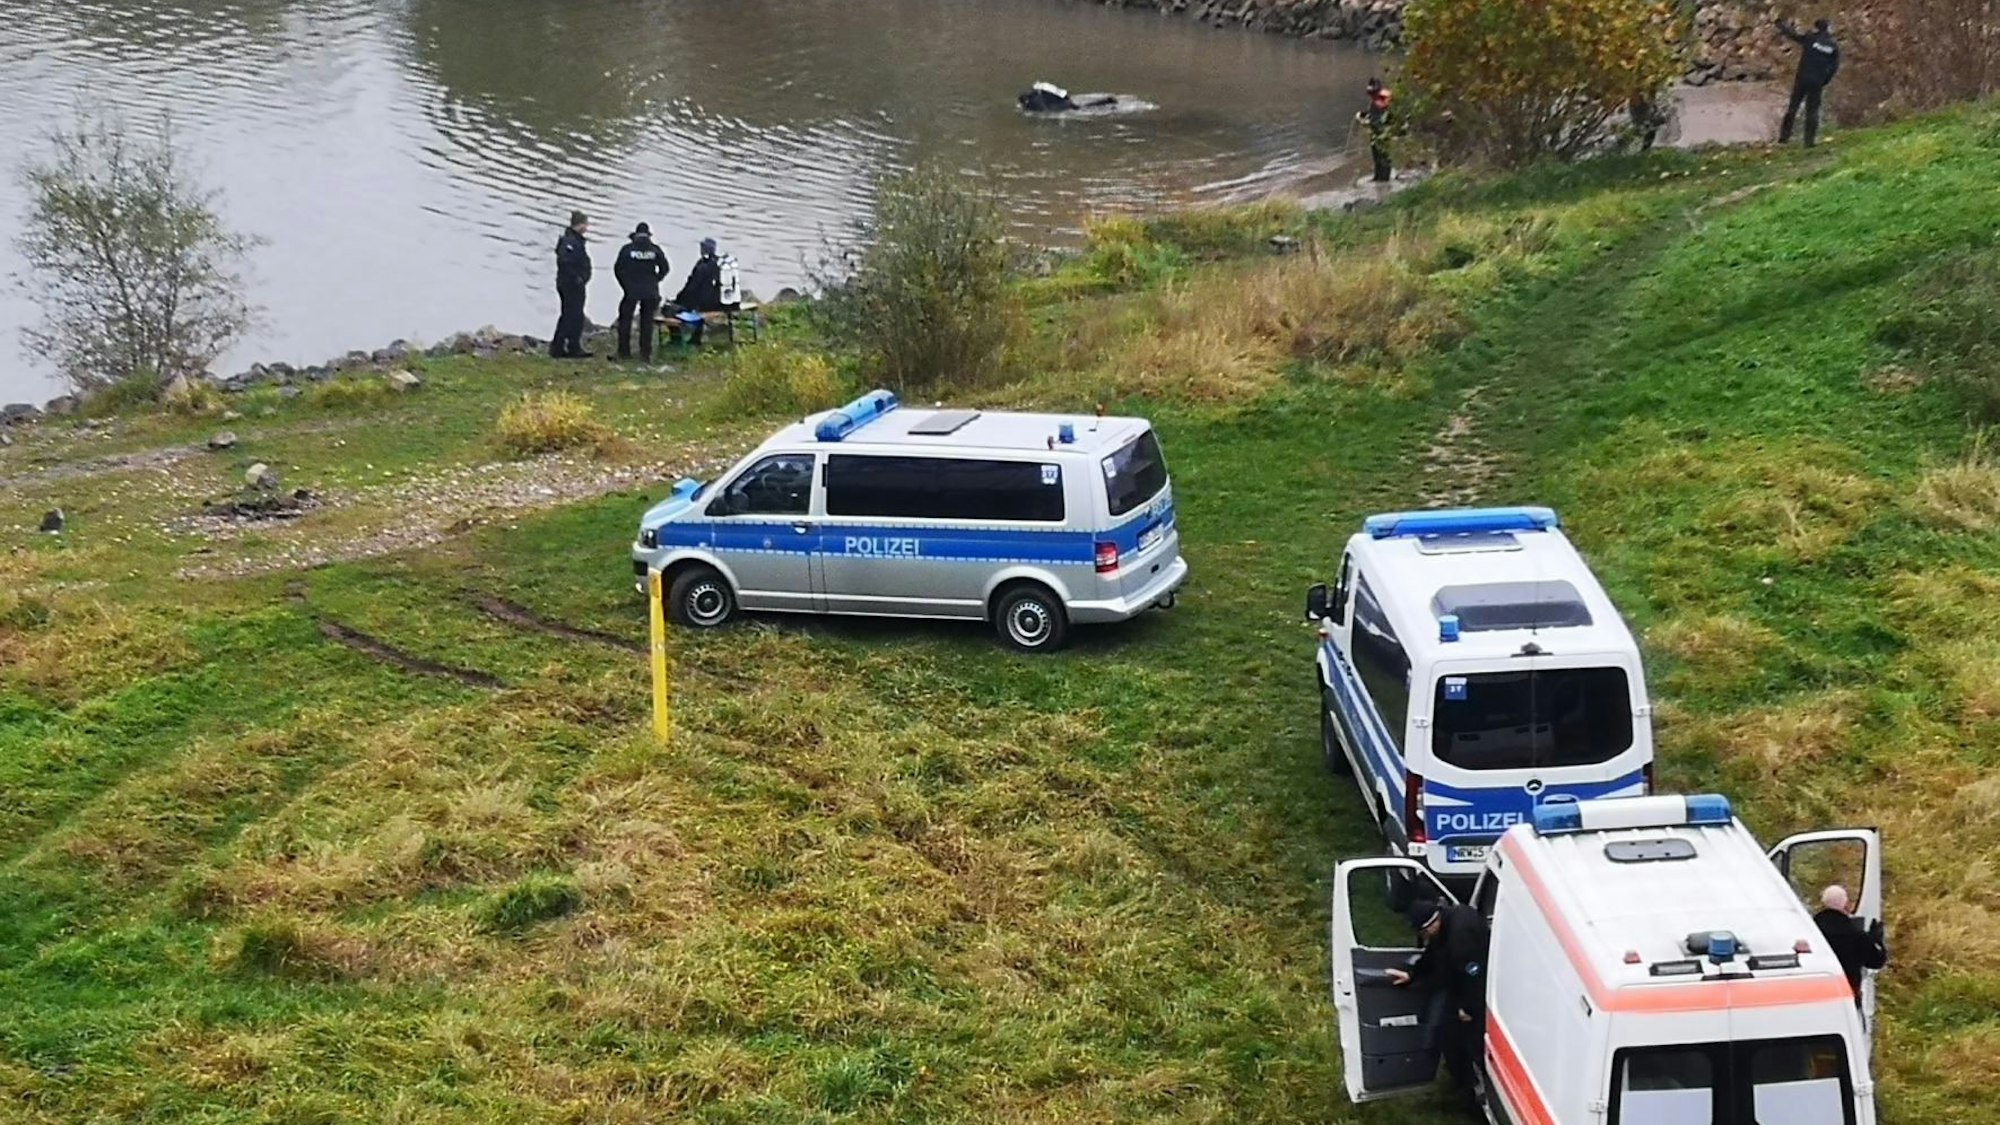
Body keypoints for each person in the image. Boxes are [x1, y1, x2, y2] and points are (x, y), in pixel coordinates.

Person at [1386, 898, 1490, 1108]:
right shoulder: (1447, 921)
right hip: (1460, 986)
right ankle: (1464, 1085)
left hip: (1476, 994)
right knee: (1449, 1037)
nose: (1425, 937)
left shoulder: (1461, 939)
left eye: (1424, 933)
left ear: (1432, 923)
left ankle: (1474, 1094)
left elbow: (1474, 975)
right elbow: (1432, 954)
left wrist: (1467, 1008)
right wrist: (1412, 975)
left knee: (1467, 1044)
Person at [1813, 885, 1887, 1010]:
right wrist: (1876, 940)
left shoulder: (1811, 929)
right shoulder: (1855, 934)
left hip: (1816, 993)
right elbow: (1876, 962)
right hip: (1846, 994)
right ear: (1846, 906)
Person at [1777, 17, 1841, 147]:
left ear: (1816, 28)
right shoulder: (1833, 46)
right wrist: (1825, 80)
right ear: (1828, 28)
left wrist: (1781, 26)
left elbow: (1793, 35)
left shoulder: (1810, 38)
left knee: (1793, 108)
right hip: (1817, 81)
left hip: (1802, 78)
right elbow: (1834, 67)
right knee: (1812, 111)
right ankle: (1809, 142)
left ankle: (1784, 138)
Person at [614, 222, 670, 363]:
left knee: (625, 319)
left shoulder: (627, 250)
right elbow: (665, 268)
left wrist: (625, 285)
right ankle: (645, 353)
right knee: (647, 322)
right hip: (650, 291)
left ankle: (624, 352)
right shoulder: (655, 250)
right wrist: (656, 280)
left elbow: (618, 269)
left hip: (632, 289)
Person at [550, 210, 593, 359]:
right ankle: (562, 346)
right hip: (570, 285)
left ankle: (569, 345)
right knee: (571, 315)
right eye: (585, 224)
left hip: (574, 284)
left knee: (574, 315)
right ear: (579, 224)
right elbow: (565, 262)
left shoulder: (575, 240)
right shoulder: (570, 242)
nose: (587, 227)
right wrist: (577, 278)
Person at [669, 238, 725, 346]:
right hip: (718, 301)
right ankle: (695, 337)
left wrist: (678, 299)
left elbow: (692, 286)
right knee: (696, 306)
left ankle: (678, 340)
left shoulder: (702, 265)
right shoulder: (720, 263)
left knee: (673, 310)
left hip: (704, 303)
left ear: (704, 249)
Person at [1357, 78, 1393, 184]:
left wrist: (1366, 122)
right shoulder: (1376, 101)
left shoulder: (1382, 101)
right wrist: (1363, 115)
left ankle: (1384, 178)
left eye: (1372, 94)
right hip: (1375, 133)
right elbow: (1371, 113)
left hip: (1382, 133)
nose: (1371, 96)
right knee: (1376, 155)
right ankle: (1378, 176)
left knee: (1383, 155)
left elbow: (1380, 120)